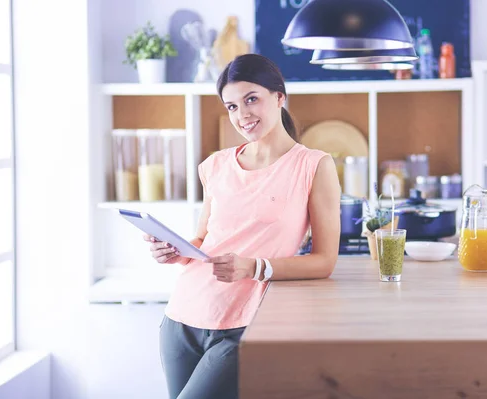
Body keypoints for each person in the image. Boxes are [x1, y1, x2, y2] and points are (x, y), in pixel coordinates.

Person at [144, 53, 341, 399]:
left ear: (279, 97)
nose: (243, 114)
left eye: (252, 99)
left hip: (243, 324)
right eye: (232, 106)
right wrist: (175, 251)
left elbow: (324, 261)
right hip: (182, 317)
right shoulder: (216, 165)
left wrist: (252, 267)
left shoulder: (313, 166)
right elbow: (204, 237)